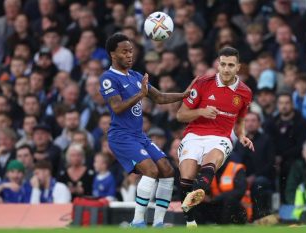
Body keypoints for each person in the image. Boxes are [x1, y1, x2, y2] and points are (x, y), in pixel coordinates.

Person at [99, 33, 189, 227]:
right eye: (125, 51)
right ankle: (137, 222)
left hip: (139, 136)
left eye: (131, 51)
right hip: (121, 136)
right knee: (150, 170)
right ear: (113, 55)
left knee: (167, 169)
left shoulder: (136, 76)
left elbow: (160, 97)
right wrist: (140, 94)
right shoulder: (108, 78)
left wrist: (185, 94)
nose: (130, 55)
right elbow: (117, 107)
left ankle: (158, 223)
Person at [176, 46, 253, 226]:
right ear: (218, 65)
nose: (226, 69)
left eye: (231, 65)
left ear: (238, 67)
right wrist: (201, 111)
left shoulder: (245, 92)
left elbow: (240, 119)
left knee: (210, 164)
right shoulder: (203, 82)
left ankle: (200, 191)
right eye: (223, 64)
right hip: (193, 135)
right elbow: (180, 115)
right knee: (185, 181)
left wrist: (241, 135)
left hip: (220, 137)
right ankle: (190, 220)